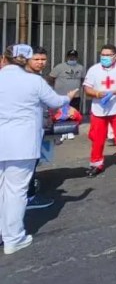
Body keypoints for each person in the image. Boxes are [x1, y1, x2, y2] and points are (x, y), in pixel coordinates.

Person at [0, 44, 78, 255]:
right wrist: (68, 97)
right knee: (16, 191)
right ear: (26, 60)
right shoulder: (33, 81)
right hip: (21, 144)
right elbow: (55, 102)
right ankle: (13, 238)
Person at [83, 44, 116, 178]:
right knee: (97, 139)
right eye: (102, 55)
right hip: (99, 109)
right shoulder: (93, 70)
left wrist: (112, 93)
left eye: (108, 55)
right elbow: (87, 89)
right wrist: (97, 94)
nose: (104, 58)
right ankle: (96, 165)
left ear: (115, 56)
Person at [24, 47, 55, 211]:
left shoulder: (37, 77)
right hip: (25, 129)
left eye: (43, 59)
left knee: (32, 163)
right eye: (37, 59)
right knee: (26, 164)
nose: (41, 62)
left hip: (36, 126)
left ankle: (29, 189)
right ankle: (28, 197)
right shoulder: (25, 78)